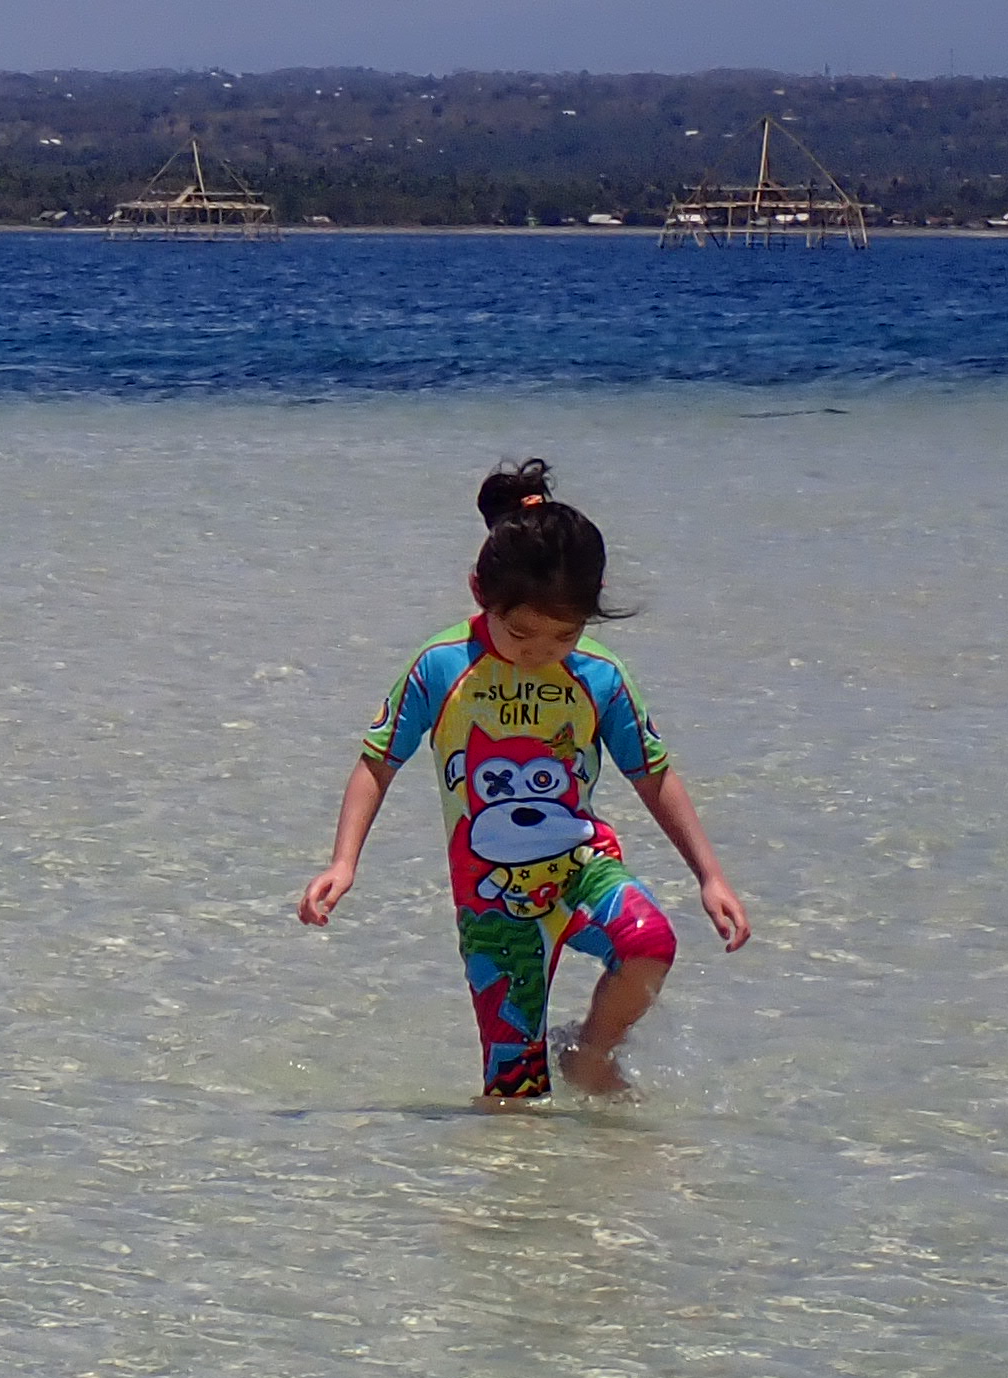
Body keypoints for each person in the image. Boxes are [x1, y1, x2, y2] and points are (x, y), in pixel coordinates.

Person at [297, 460, 751, 1099]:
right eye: (522, 632)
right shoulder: (441, 668)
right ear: (481, 592)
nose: (540, 649)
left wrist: (711, 875)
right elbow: (377, 762)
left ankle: (590, 1052)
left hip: (581, 866)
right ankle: (517, 1186)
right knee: (514, 1089)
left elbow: (652, 775)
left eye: (564, 634)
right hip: (491, 903)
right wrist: (344, 862)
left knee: (649, 942)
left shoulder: (599, 676)